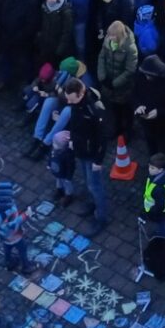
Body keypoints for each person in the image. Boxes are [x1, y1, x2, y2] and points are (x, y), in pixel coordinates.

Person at [64, 77, 109, 236]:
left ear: (81, 94)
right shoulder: (77, 104)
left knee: (95, 186)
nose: (69, 103)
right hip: (81, 149)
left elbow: (103, 137)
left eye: (71, 99)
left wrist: (99, 160)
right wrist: (72, 140)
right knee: (87, 181)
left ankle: (102, 217)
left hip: (92, 153)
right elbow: (75, 124)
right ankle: (92, 205)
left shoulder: (95, 109)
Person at [0, 180, 35, 273]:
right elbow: (12, 224)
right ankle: (26, 267)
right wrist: (26, 214)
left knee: (7, 247)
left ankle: (8, 262)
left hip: (3, 235)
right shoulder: (8, 211)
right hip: (14, 235)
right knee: (22, 249)